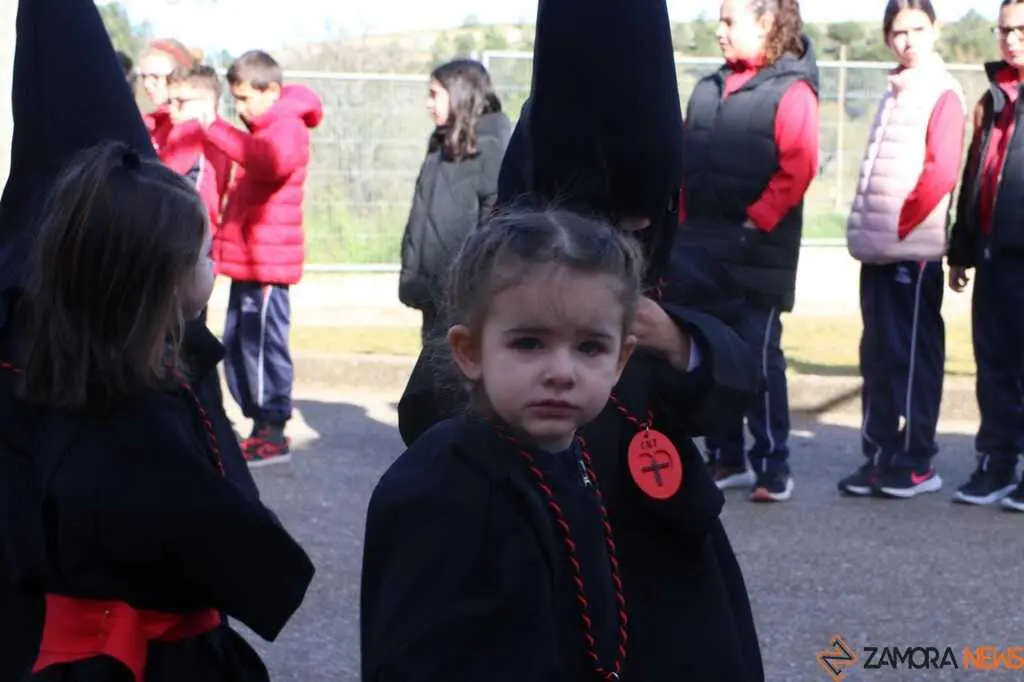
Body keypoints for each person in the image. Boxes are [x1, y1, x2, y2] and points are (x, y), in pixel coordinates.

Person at [376, 0, 765, 678]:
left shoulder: (684, 269)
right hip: (525, 534)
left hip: (660, 556)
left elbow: (737, 380)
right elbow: (424, 406)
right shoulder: (506, 270)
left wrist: (677, 341)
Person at [0, 0, 300, 676]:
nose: (211, 265)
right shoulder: (138, 410)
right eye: (199, 255)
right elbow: (215, 530)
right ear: (150, 279)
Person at [679, 0, 820, 502]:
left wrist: (753, 222)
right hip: (699, 251)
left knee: (759, 359)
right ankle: (726, 455)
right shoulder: (707, 88)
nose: (719, 30)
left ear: (766, 24)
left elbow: (798, 167)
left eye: (729, 20)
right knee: (711, 354)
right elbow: (685, 163)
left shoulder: (793, 90)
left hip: (757, 252)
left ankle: (771, 464)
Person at [837, 0, 966, 499]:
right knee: (877, 354)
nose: (908, 40)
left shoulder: (942, 92)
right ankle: (878, 453)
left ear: (935, 30)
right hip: (877, 250)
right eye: (898, 31)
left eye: (917, 29)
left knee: (911, 357)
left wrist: (903, 225)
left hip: (911, 251)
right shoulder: (894, 91)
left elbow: (941, 170)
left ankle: (915, 460)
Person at [188, 50, 324, 466]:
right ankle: (257, 423)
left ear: (273, 91)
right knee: (238, 343)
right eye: (237, 100)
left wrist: (215, 127)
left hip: (267, 266)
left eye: (246, 98)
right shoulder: (264, 128)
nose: (241, 108)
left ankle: (272, 427)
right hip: (250, 263)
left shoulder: (286, 126)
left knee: (261, 345)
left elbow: (270, 164)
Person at [947, 0, 1024, 511]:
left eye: (1020, 29)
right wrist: (963, 248)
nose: (1010, 38)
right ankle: (996, 461)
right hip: (994, 254)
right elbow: (977, 174)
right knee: (993, 362)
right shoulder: (994, 99)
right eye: (1004, 29)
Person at [398, 59, 512, 340]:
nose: (428, 103)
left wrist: (472, 288)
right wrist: (413, 277)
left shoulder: (492, 150)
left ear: (461, 93)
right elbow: (421, 219)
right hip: (432, 299)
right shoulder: (440, 147)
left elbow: (495, 227)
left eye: (435, 94)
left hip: (468, 303)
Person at [165, 64, 233, 230]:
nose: (171, 109)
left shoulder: (188, 131)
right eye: (169, 102)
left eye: (180, 102)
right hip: (208, 224)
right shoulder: (224, 132)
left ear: (207, 103)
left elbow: (164, 176)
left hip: (185, 225)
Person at [137, 38, 201, 154]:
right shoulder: (151, 122)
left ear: (179, 76)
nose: (147, 84)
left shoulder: (198, 126)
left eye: (156, 77)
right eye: (144, 77)